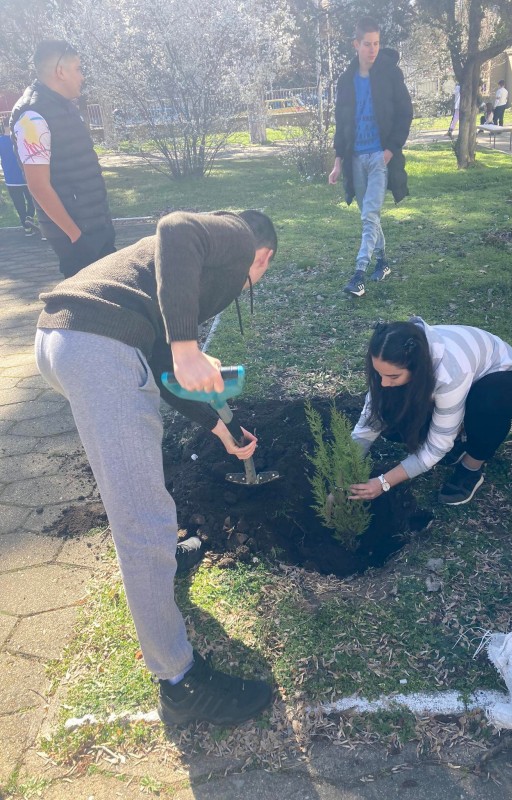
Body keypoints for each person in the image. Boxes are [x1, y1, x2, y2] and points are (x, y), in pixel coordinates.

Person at [35, 209, 277, 726]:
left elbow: (166, 369)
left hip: (70, 341)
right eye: (256, 277)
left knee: (144, 499)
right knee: (142, 520)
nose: (246, 285)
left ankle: (167, 557)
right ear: (264, 257)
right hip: (97, 350)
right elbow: (175, 227)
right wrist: (190, 347)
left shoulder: (167, 285)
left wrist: (222, 429)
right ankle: (179, 682)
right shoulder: (237, 235)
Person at [349, 318, 512, 506]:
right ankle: (459, 439)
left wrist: (383, 483)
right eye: (379, 374)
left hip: (508, 382)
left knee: (485, 404)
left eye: (393, 376)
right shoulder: (392, 357)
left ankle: (471, 467)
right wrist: (342, 476)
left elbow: (437, 446)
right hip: (465, 380)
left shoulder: (450, 374)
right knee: (393, 421)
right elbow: (369, 423)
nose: (383, 383)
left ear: (417, 369)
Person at [10, 40, 115, 278]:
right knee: (91, 309)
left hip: (95, 226)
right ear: (60, 71)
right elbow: (38, 186)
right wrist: (76, 236)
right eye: (78, 68)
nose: (82, 76)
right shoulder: (32, 116)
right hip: (78, 237)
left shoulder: (63, 107)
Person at [328, 16, 413, 297]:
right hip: (356, 158)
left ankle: (359, 274)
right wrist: (338, 162)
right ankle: (384, 262)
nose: (373, 49)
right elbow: (342, 123)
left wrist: (391, 149)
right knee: (370, 216)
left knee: (369, 216)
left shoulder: (390, 73)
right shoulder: (346, 81)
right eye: (367, 44)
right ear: (356, 44)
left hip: (380, 157)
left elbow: (405, 112)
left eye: (376, 43)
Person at [0, 122, 37, 235]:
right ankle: (30, 216)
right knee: (33, 201)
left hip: (11, 180)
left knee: (18, 203)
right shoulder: (21, 139)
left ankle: (27, 228)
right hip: (26, 177)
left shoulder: (1, 141)